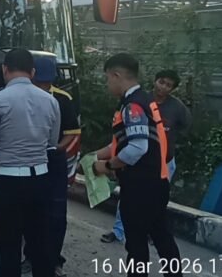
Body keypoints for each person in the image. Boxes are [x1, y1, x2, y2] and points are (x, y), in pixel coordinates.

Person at [92, 54, 182, 277]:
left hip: (141, 186)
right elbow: (127, 140)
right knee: (162, 237)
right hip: (155, 183)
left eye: (107, 79)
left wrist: (108, 166)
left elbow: (137, 147)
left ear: (117, 75)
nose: (107, 84)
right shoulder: (144, 100)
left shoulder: (133, 106)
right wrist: (95, 156)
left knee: (137, 244)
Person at [0, 49, 60, 277]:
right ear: (32, 72)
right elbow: (52, 142)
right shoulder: (51, 101)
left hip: (7, 182)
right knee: (39, 244)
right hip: (40, 180)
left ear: (4, 69)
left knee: (9, 248)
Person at [101, 69, 191, 244]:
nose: (163, 87)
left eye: (168, 85)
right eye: (161, 82)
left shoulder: (177, 107)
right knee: (127, 198)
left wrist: (169, 140)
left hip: (165, 162)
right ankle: (119, 231)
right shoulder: (142, 101)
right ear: (155, 80)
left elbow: (186, 127)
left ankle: (151, 231)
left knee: (156, 202)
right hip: (140, 163)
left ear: (172, 89)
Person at [20, 55, 81, 277]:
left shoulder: (63, 99)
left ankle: (54, 259)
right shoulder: (22, 96)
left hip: (53, 163)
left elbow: (73, 133)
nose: (42, 87)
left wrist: (55, 149)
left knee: (56, 215)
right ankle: (31, 256)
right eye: (39, 82)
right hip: (29, 160)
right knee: (29, 211)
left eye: (46, 83)